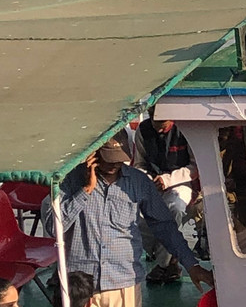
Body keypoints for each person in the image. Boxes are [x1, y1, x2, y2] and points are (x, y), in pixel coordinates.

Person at [41, 130, 214, 306]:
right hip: (81, 285)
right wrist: (85, 191)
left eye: (119, 159)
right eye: (109, 158)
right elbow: (53, 227)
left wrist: (191, 265)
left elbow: (165, 226)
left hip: (123, 283)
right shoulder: (68, 180)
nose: (114, 164)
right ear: (93, 153)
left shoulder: (138, 182)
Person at [133, 117, 201, 283]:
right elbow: (139, 164)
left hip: (181, 183)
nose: (160, 131)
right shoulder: (143, 130)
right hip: (152, 184)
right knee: (136, 215)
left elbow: (195, 166)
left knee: (174, 208)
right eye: (157, 127)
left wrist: (168, 180)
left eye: (163, 127)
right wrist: (148, 180)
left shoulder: (184, 129)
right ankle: (168, 259)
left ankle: (164, 263)